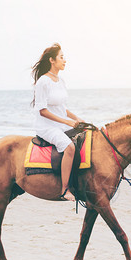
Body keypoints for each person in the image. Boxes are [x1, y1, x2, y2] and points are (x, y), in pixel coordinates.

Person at [31, 43, 83, 201]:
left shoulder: (61, 81)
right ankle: (65, 189)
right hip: (46, 127)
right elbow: (42, 110)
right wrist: (67, 123)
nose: (64, 60)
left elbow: (62, 108)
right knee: (69, 147)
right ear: (52, 60)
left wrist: (77, 119)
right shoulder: (43, 82)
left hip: (61, 124)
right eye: (61, 57)